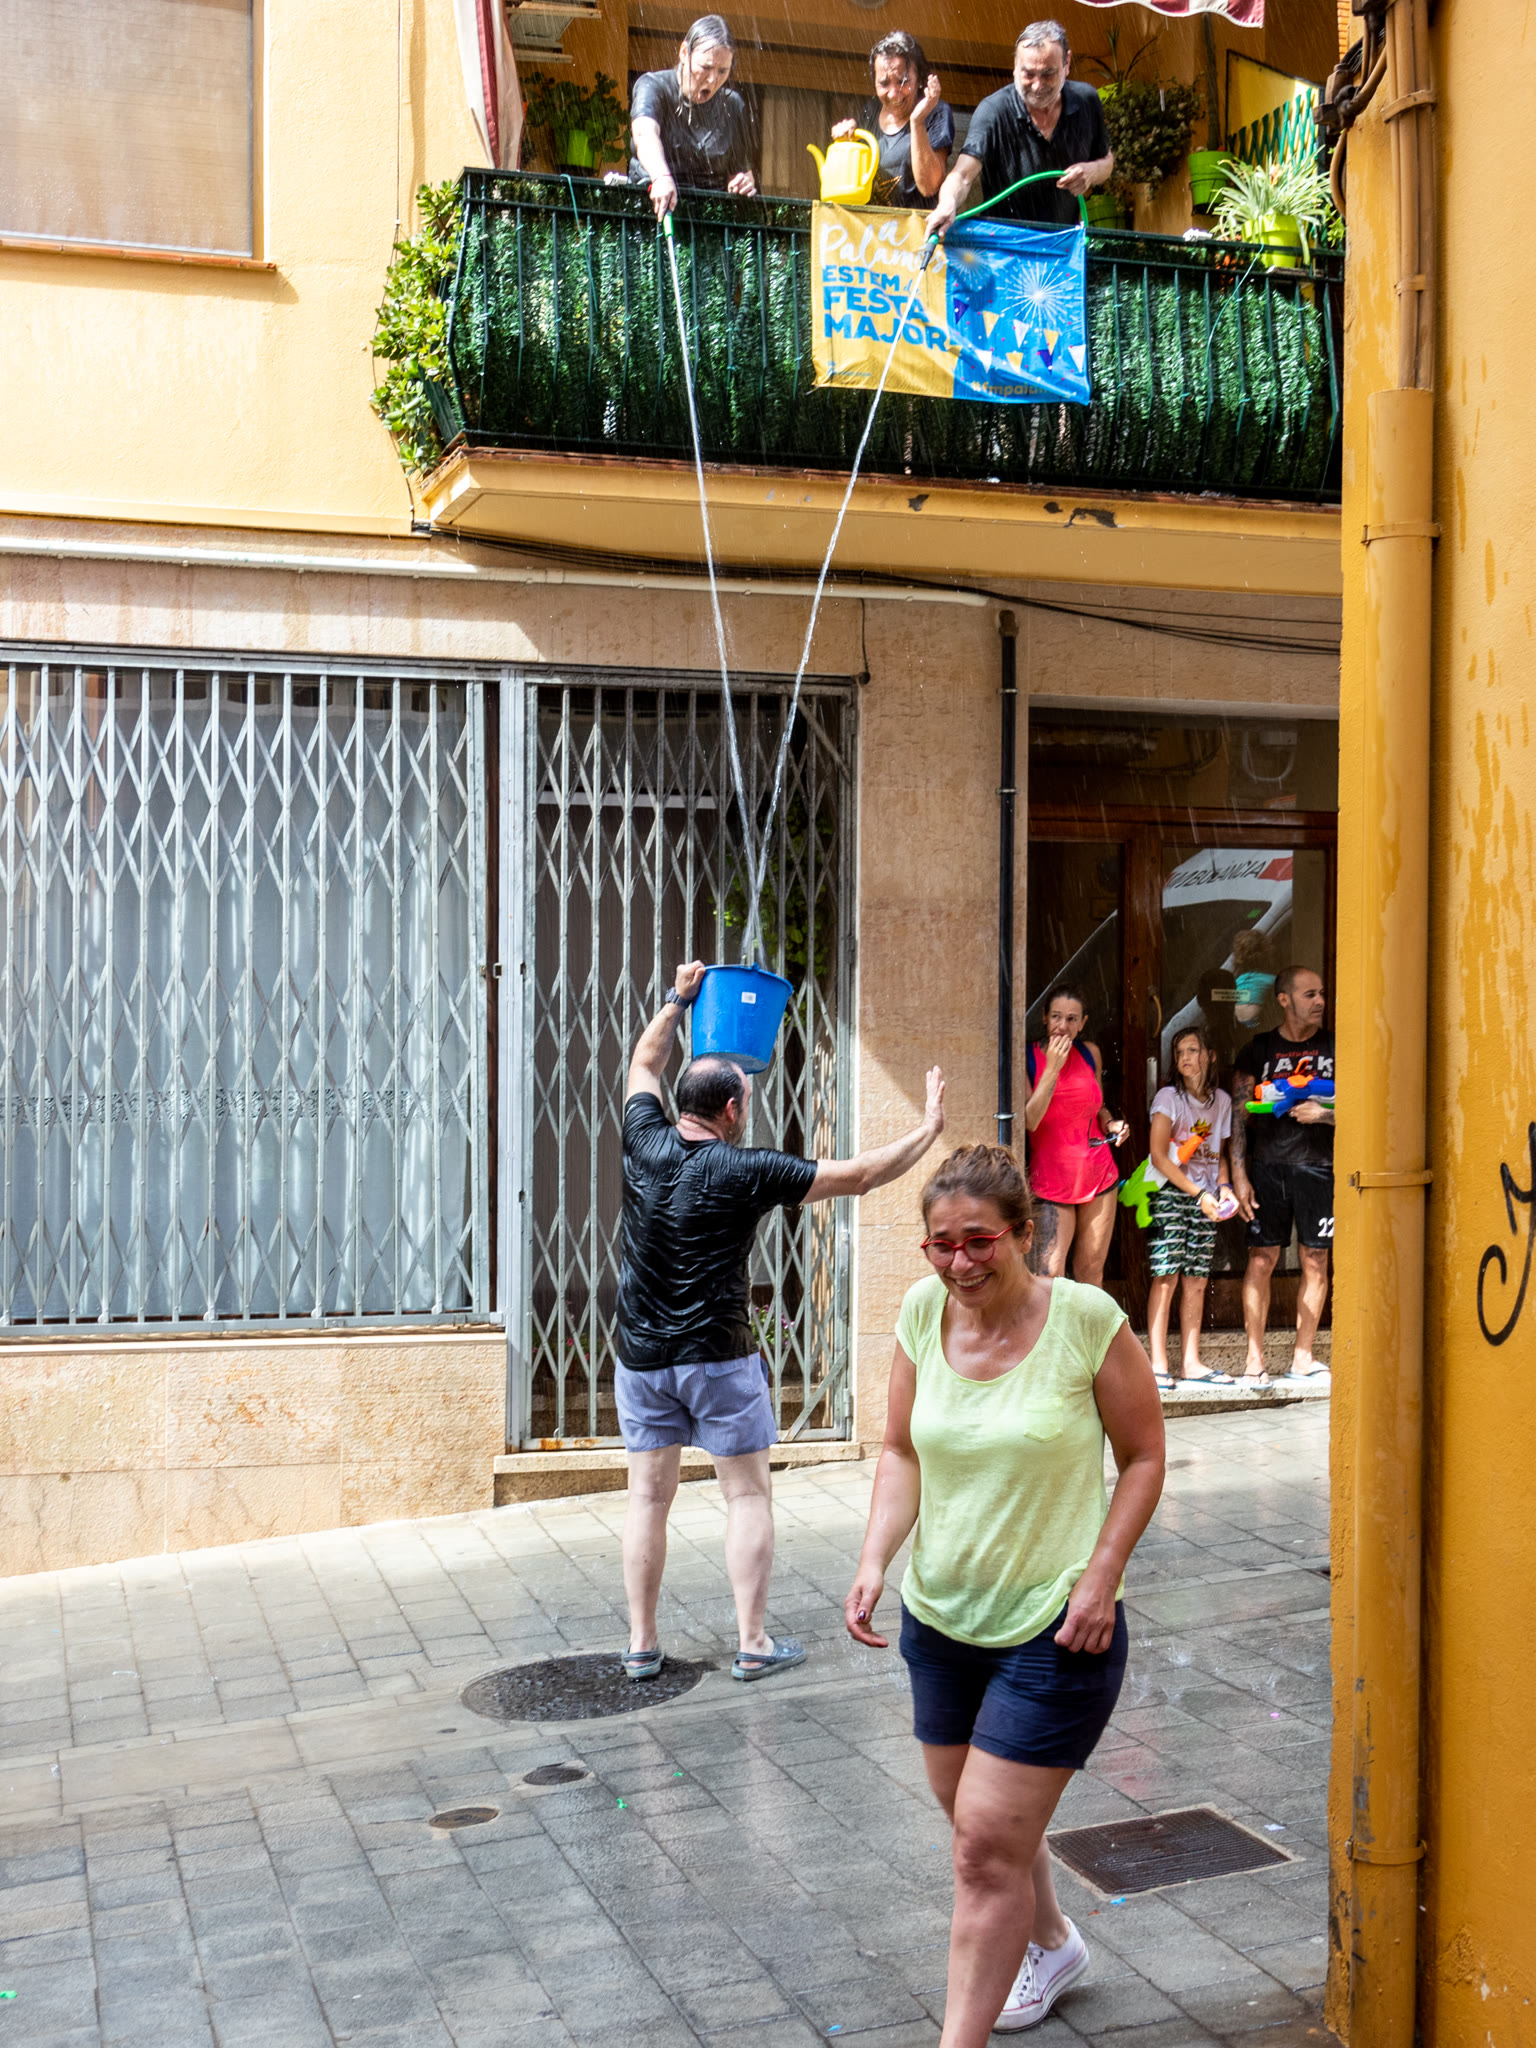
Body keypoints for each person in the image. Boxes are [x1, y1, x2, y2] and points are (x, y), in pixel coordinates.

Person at [844, 1145, 1164, 2040]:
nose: (960, 1263)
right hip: (941, 1620)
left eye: (979, 1241)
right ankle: (1052, 1942)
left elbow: (1144, 1456)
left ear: (1026, 1233)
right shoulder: (921, 1312)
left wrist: (1101, 1577)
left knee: (983, 1851)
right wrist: (875, 1559)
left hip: (1057, 1628)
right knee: (984, 1828)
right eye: (941, 1245)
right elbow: (901, 1450)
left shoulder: (1085, 1320)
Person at [618, 959, 945, 1682]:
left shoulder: (643, 1139)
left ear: (682, 1103)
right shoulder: (748, 1169)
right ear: (734, 1110)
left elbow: (644, 1061)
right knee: (745, 1493)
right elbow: (859, 1175)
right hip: (718, 1357)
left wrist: (677, 999)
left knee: (647, 1497)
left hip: (639, 1355)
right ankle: (753, 1642)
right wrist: (927, 1129)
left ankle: (641, 1644)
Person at [1230, 964, 1335, 1385]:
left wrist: (1324, 1115)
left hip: (1320, 1167)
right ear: (1284, 999)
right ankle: (1254, 1359)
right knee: (1261, 1258)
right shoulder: (1257, 1049)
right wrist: (1238, 1174)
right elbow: (1238, 1116)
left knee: (1316, 1258)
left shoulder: (1336, 1046)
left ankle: (1303, 1358)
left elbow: (1365, 1105)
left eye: (1321, 993)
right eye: (1310, 994)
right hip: (1267, 1167)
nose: (1320, 1001)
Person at [926, 19, 1115, 240]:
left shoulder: (1086, 100)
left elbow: (1107, 161)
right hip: (1005, 242)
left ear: (1067, 63)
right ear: (1015, 67)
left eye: (1048, 74)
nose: (1037, 85)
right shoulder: (994, 111)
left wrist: (1091, 172)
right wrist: (948, 203)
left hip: (1063, 241)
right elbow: (963, 175)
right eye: (1028, 74)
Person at [1146, 1027, 1236, 1389]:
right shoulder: (1168, 1097)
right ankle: (1158, 1364)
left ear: (1209, 1056)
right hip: (1171, 1192)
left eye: (1193, 1050)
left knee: (1197, 1279)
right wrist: (1199, 1194)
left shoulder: (1222, 1102)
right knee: (1166, 1275)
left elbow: (1219, 1156)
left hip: (1207, 1198)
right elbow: (1158, 1156)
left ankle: (1192, 1362)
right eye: (1180, 1051)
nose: (1185, 1057)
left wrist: (1225, 1189)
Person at [1022, 983, 1129, 1288]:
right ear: (1044, 1017)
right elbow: (1030, 1120)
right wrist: (1052, 1068)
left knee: (1091, 1272)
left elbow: (1096, 1105)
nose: (1062, 1026)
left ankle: (1090, 1324)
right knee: (1050, 1277)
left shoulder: (1090, 1053)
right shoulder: (1027, 1057)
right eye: (1056, 1017)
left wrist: (1111, 1123)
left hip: (1098, 1174)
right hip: (1051, 1180)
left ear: (1083, 1023)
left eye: (1071, 1019)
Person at [629, 15, 756, 221]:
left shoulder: (732, 106)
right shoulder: (653, 86)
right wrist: (661, 176)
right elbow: (644, 134)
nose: (713, 79)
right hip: (651, 210)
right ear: (684, 53)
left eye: (722, 71)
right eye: (706, 67)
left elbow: (742, 173)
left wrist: (744, 183)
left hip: (708, 219)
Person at [830, 31, 953, 209]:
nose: (894, 93)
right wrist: (846, 139)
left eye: (903, 81)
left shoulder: (936, 112)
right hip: (870, 225)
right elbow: (851, 179)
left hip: (915, 225)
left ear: (920, 79)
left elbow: (929, 187)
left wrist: (917, 122)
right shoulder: (870, 111)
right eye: (884, 83)